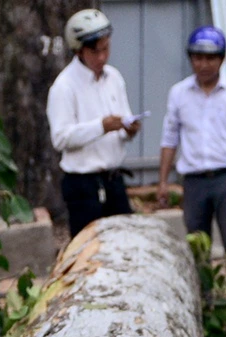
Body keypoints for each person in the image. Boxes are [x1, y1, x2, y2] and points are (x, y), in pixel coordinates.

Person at [155, 26, 226, 266]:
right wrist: (162, 181)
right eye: (198, 58)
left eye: (210, 58)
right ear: (190, 58)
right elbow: (169, 139)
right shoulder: (179, 94)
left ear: (222, 59)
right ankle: (204, 298)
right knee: (197, 247)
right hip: (194, 182)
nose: (203, 64)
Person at [48, 9, 141, 236]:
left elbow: (121, 125)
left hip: (114, 178)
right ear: (79, 50)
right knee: (90, 247)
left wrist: (129, 130)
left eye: (106, 49)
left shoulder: (114, 78)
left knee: (124, 244)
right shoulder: (64, 86)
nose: (102, 57)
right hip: (83, 185)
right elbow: (60, 138)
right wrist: (101, 126)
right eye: (94, 51)